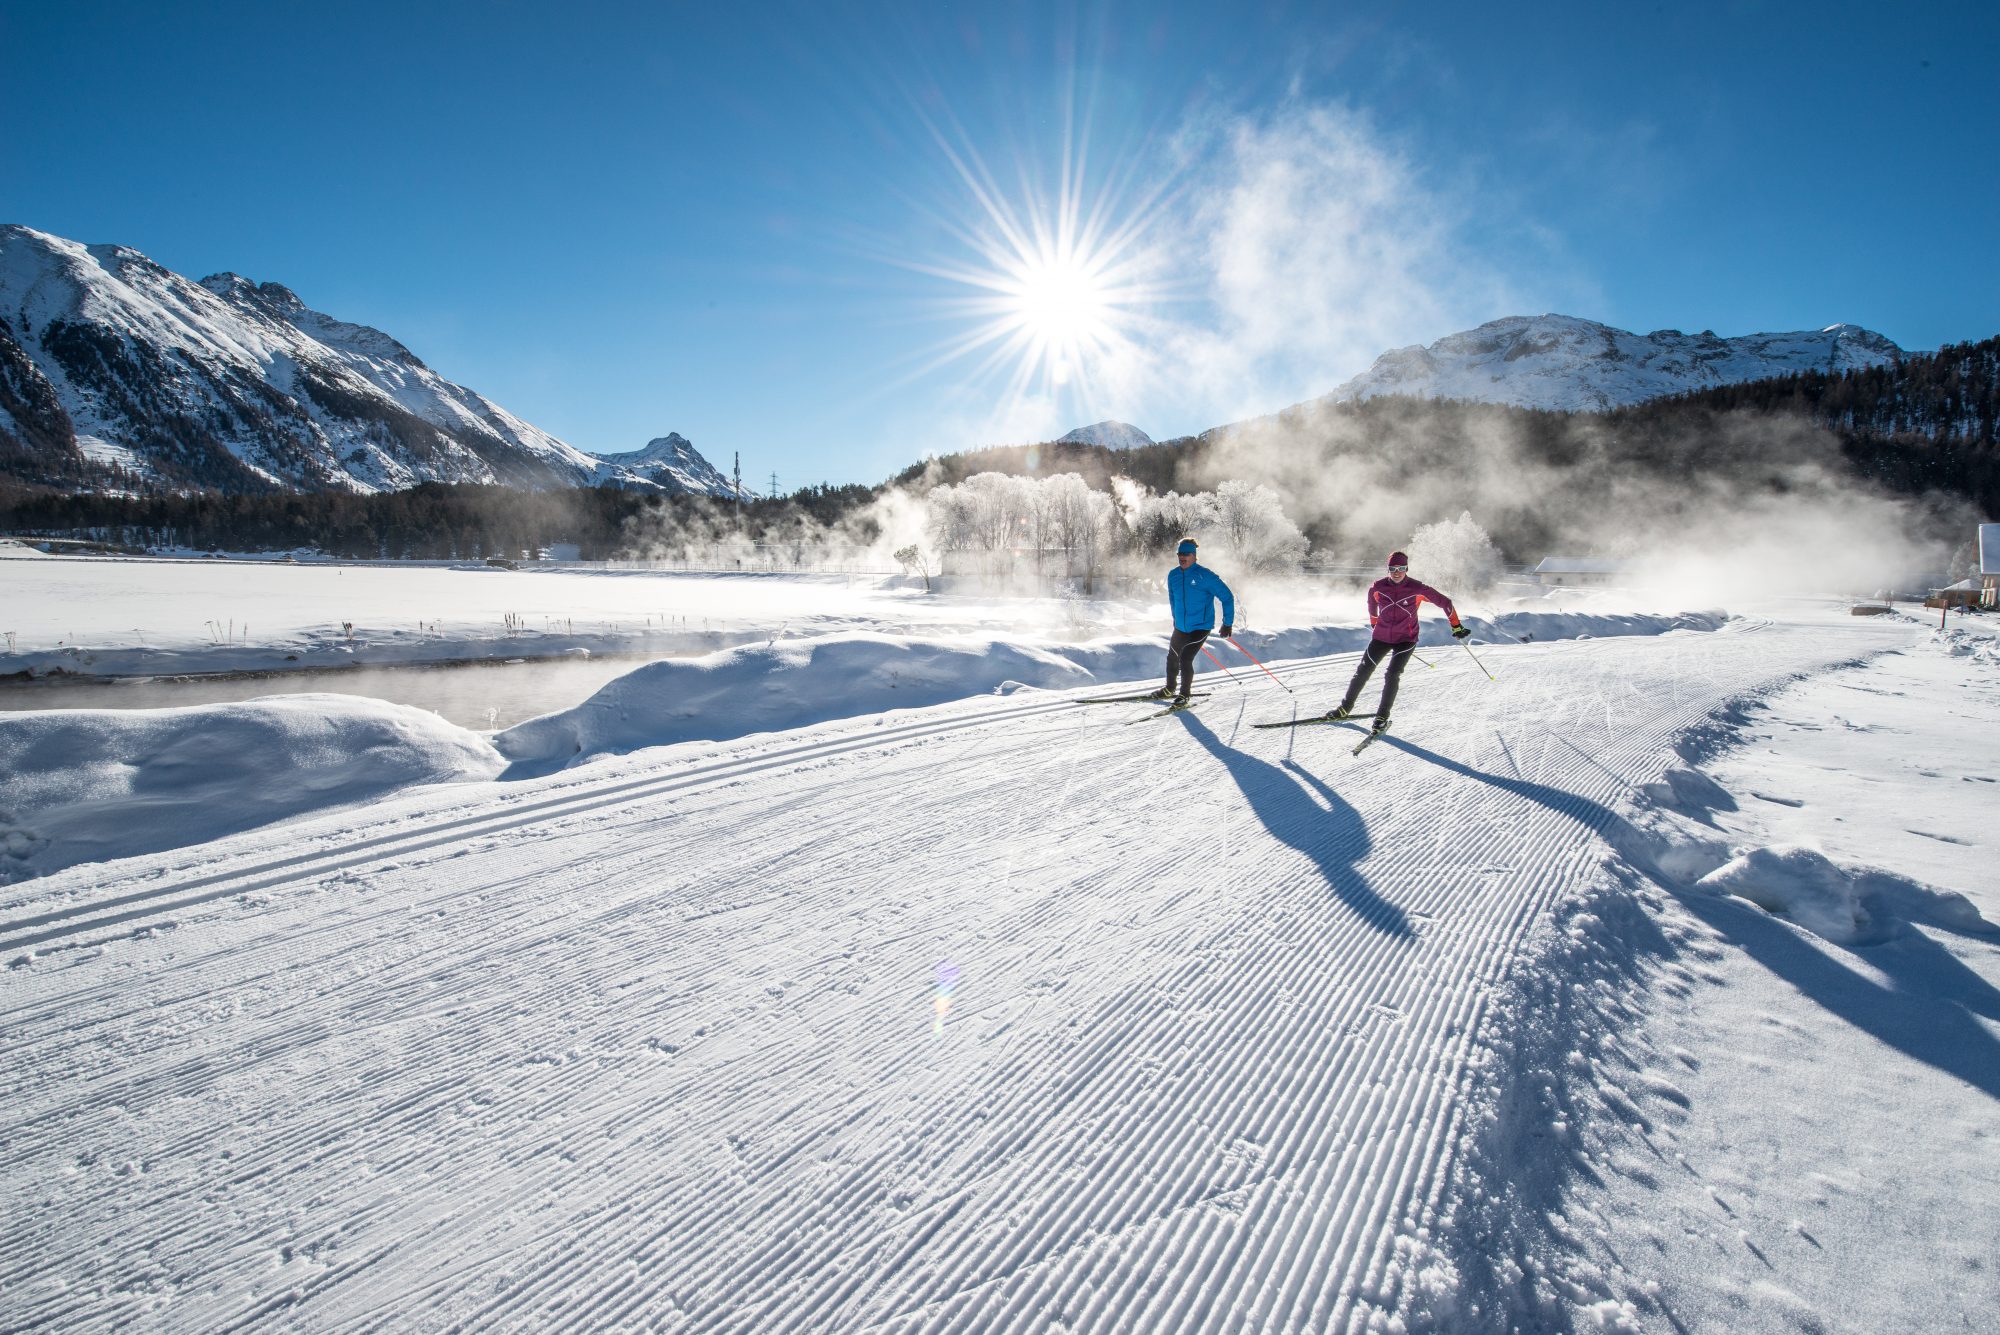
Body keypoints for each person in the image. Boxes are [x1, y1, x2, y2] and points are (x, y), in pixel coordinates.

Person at [1326, 550, 1469, 730]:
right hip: (1381, 637)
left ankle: (1381, 717)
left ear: (1406, 568)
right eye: (1393, 568)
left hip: (1406, 640)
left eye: (1401, 568)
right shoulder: (1378, 587)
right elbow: (1372, 603)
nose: (1396, 572)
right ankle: (1344, 709)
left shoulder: (1417, 588)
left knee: (1392, 674)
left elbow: (1445, 602)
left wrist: (1456, 626)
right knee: (1363, 670)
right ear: (1388, 569)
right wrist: (1374, 623)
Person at [1148, 537, 1235, 703]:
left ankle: (1184, 695)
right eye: (1180, 553)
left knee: (1185, 658)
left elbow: (1227, 597)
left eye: (1186, 553)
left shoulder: (1205, 576)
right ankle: (1169, 689)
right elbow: (1172, 599)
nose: (1182, 557)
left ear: (1194, 556)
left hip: (1200, 627)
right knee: (1172, 657)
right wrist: (1175, 618)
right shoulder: (1173, 575)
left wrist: (1227, 623)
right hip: (1181, 626)